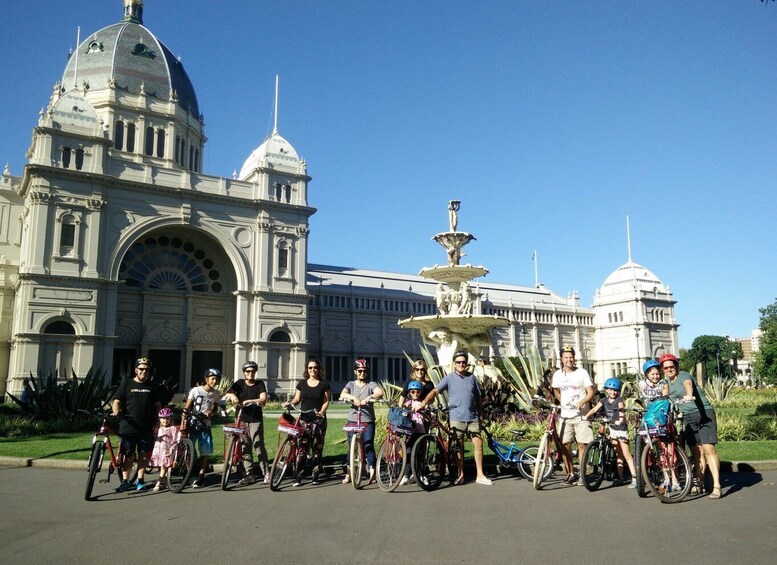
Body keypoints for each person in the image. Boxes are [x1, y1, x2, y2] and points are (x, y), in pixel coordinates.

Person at [416, 350, 493, 486]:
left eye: (463, 362)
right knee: (459, 447)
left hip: (472, 417)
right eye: (458, 362)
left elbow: (478, 398)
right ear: (454, 363)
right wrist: (423, 403)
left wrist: (480, 414)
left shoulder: (472, 378)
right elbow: (435, 391)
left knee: (478, 444)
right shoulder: (449, 378)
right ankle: (460, 474)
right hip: (456, 418)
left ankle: (480, 475)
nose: (461, 364)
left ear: (466, 363)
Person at [660, 353, 722, 499]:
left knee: (708, 449)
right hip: (688, 418)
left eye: (672, 366)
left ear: (676, 366)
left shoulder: (683, 375)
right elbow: (664, 397)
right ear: (663, 369)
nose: (669, 369)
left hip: (703, 414)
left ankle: (717, 486)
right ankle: (700, 482)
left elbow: (688, 384)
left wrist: (689, 394)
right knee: (696, 452)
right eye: (666, 367)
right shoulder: (666, 382)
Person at [112, 357, 163, 492]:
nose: (144, 372)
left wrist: (158, 421)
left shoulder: (152, 387)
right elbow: (117, 401)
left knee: (144, 454)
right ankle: (125, 481)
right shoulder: (127, 384)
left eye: (147, 370)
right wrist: (116, 412)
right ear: (136, 370)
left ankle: (140, 480)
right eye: (141, 369)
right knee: (128, 454)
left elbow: (158, 406)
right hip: (128, 426)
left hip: (146, 426)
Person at [551, 346, 596, 486]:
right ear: (562, 359)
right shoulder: (558, 374)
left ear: (574, 358)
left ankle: (582, 474)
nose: (569, 360)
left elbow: (590, 392)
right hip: (565, 416)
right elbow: (556, 391)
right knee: (564, 445)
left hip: (581, 415)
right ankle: (570, 473)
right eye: (566, 357)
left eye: (571, 357)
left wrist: (582, 402)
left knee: (583, 445)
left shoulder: (582, 373)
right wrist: (563, 401)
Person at [583, 378, 637, 488]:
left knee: (626, 455)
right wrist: (586, 416)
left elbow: (621, 410)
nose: (613, 392)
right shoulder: (603, 400)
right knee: (618, 455)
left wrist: (621, 419)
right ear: (606, 390)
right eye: (610, 390)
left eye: (615, 390)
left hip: (621, 429)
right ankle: (621, 478)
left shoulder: (619, 400)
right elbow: (595, 409)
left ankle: (635, 478)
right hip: (612, 429)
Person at [223, 360, 269, 485]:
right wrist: (232, 396)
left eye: (253, 371)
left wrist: (250, 401)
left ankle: (266, 473)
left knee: (258, 446)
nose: (250, 373)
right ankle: (249, 474)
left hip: (255, 420)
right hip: (241, 418)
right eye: (248, 371)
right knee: (244, 447)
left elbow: (263, 399)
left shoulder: (259, 384)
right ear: (244, 373)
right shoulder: (239, 383)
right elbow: (228, 393)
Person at [339, 359, 384, 484]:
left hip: (367, 420)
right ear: (355, 372)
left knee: (368, 445)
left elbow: (380, 392)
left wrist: (369, 398)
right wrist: (353, 398)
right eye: (359, 371)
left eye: (364, 371)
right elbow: (343, 394)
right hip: (353, 419)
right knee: (352, 448)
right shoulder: (351, 384)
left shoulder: (371, 384)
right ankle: (349, 473)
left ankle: (372, 472)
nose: (362, 373)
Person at [287, 357, 330, 486]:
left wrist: (322, 412)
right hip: (304, 420)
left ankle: (315, 476)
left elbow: (326, 401)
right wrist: (289, 403)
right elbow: (297, 399)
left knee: (317, 449)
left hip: (318, 421)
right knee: (302, 449)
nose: (313, 370)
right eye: (310, 368)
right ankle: (298, 477)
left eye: (315, 367)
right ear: (307, 369)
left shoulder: (324, 384)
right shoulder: (302, 384)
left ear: (319, 369)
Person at [184, 368, 223, 488]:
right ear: (206, 379)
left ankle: (201, 476)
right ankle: (189, 473)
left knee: (205, 451)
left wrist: (212, 412)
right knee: (189, 450)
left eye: (216, 379)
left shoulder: (216, 393)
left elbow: (216, 408)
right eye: (212, 379)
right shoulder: (196, 391)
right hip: (193, 424)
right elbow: (187, 408)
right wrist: (182, 424)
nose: (215, 381)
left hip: (206, 425)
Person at [400, 380, 427, 486]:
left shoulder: (423, 403)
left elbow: (428, 418)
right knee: (408, 453)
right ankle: (406, 475)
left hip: (420, 432)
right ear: (409, 393)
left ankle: (421, 475)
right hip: (410, 432)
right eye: (412, 392)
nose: (415, 394)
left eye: (418, 392)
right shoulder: (407, 403)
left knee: (420, 454)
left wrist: (423, 411)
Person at [150, 407, 177, 492]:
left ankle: (158, 483)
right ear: (160, 420)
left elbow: (175, 440)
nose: (165, 421)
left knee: (163, 467)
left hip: (167, 450)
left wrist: (172, 449)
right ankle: (165, 481)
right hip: (159, 451)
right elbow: (156, 438)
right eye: (163, 419)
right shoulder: (159, 429)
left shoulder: (172, 429)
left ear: (170, 419)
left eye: (167, 419)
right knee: (162, 467)